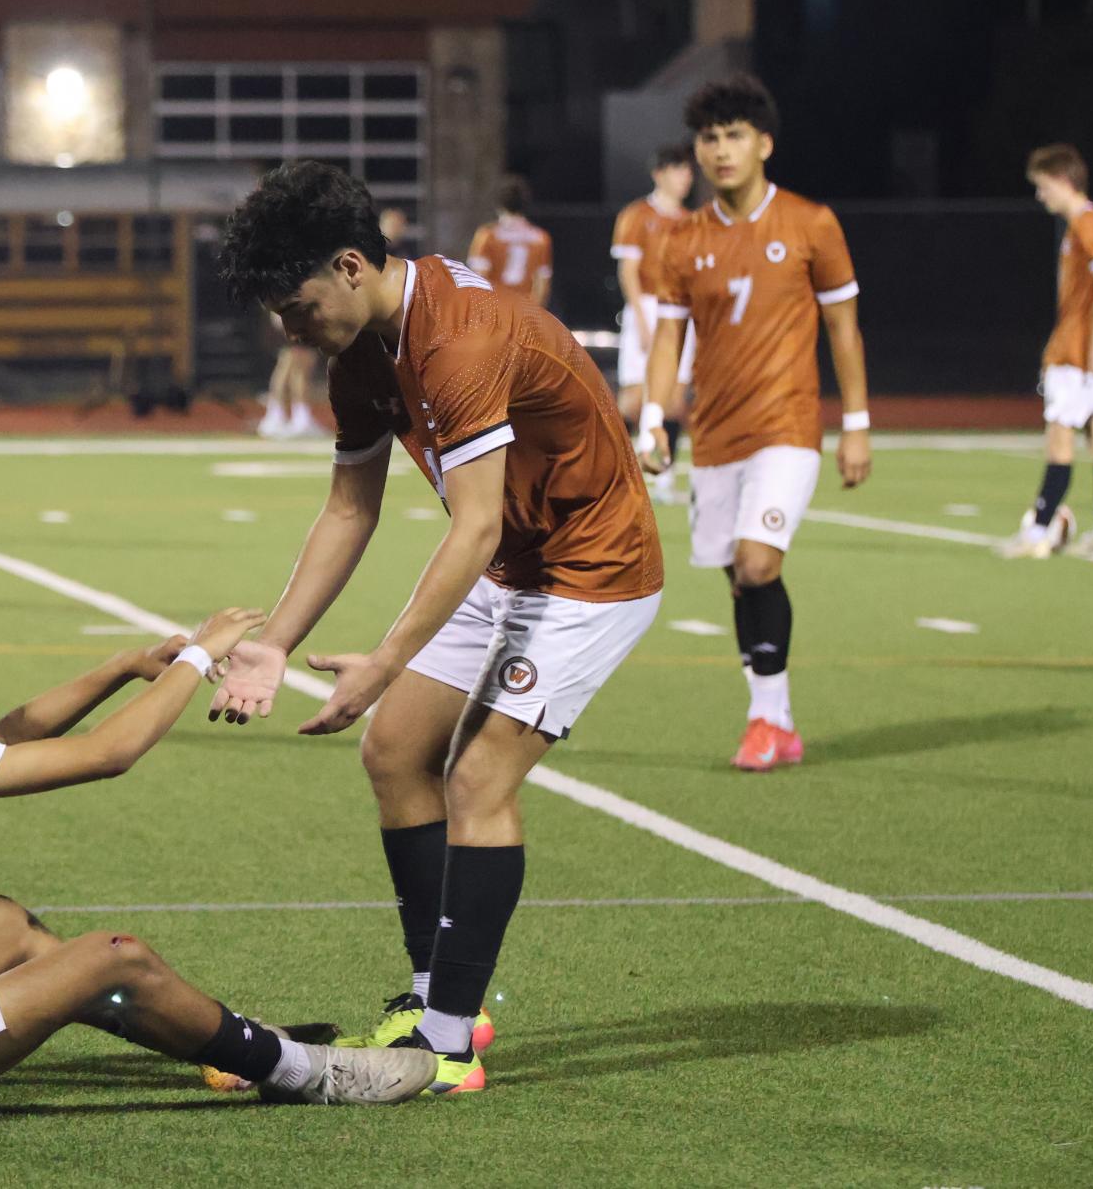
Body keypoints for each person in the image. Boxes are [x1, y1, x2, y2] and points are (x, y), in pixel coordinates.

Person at [209, 161, 664, 1096]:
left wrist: (382, 658)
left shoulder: (455, 338)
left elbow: (476, 521)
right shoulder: (361, 354)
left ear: (348, 266)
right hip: (513, 563)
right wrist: (276, 642)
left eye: (293, 307)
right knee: (393, 755)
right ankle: (432, 997)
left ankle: (447, 1045)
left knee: (478, 775)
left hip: (592, 570)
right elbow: (348, 510)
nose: (286, 330)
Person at [0, 558, 437, 1122]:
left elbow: (2, 738)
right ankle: (305, 1073)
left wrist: (120, 668)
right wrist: (197, 657)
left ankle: (225, 1041)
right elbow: (109, 754)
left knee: (0, 923)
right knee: (114, 958)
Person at [639, 75, 871, 772]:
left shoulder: (811, 223)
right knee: (740, 580)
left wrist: (856, 423)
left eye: (734, 134)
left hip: (787, 425)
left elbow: (843, 328)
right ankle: (778, 719)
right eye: (708, 138)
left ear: (763, 143)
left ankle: (764, 721)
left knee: (757, 560)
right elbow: (666, 340)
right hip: (713, 434)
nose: (720, 149)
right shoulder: (680, 242)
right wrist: (654, 419)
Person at [1001, 144, 1093, 557]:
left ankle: (1037, 534)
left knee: (1060, 441)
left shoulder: (1086, 222)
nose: (1041, 196)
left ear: (1064, 181)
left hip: (1075, 349)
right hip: (1090, 347)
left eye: (1043, 186)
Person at [612, 144, 698, 503]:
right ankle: (612, 469)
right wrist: (643, 320)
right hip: (647, 306)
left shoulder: (691, 221)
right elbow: (628, 269)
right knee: (632, 399)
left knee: (675, 398)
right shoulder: (636, 215)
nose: (685, 178)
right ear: (659, 173)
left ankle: (663, 474)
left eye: (688, 172)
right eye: (679, 170)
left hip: (680, 310)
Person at [466, 173, 553, 310]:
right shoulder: (540, 238)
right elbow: (542, 283)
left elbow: (479, 279)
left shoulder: (488, 236)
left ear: (499, 204)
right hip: (525, 311)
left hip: (497, 310)